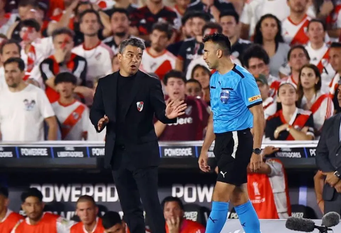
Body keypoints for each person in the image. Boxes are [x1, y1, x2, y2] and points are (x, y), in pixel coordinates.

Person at [89, 37, 187, 233]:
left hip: (143, 154)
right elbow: (95, 111)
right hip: (117, 155)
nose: (135, 60)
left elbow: (161, 112)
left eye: (139, 56)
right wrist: (99, 121)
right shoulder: (105, 83)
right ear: (120, 57)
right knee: (130, 208)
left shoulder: (150, 83)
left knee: (151, 205)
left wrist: (167, 116)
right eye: (130, 55)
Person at [198, 33, 264, 233]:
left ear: (219, 52)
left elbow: (259, 115)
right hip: (222, 141)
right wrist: (205, 149)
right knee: (239, 196)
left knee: (220, 195)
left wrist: (256, 150)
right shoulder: (215, 78)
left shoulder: (243, 77)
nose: (203, 56)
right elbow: (214, 117)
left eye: (206, 51)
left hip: (238, 139)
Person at [316, 77, 341, 218]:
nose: (340, 95)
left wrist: (338, 176)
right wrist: (332, 176)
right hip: (332, 194)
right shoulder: (330, 122)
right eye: (338, 91)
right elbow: (320, 153)